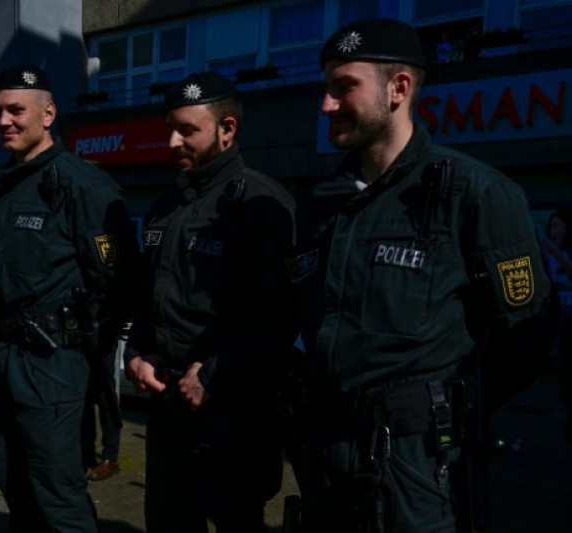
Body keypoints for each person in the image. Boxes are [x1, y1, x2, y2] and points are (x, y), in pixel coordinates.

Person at [291, 19, 550, 532]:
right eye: (326, 89)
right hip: (323, 457)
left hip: (415, 466)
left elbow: (527, 330)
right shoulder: (319, 205)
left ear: (399, 88)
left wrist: (441, 408)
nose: (326, 105)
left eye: (344, 87)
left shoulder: (473, 194)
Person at [124, 71, 296, 533]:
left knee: (235, 520)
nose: (173, 141)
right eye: (169, 129)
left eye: (187, 130)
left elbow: (274, 316)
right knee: (168, 520)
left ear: (227, 130)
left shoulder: (261, 206)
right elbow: (147, 297)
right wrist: (135, 353)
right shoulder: (165, 207)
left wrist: (214, 374)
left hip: (232, 410)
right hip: (169, 405)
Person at [0, 64, 138, 532]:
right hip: (6, 357)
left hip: (52, 362)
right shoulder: (5, 185)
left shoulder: (81, 184)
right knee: (13, 479)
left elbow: (119, 282)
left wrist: (81, 347)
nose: (4, 120)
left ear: (48, 114)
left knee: (57, 491)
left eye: (16, 110)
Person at [542, 209, 572, 445]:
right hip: (558, 313)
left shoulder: (562, 253)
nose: (553, 232)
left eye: (557, 226)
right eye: (551, 227)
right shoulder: (547, 254)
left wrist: (555, 252)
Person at [81, 349, 122, 481]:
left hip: (103, 336)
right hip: (81, 334)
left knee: (106, 392)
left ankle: (110, 457)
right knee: (84, 392)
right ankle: (86, 452)